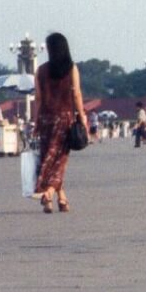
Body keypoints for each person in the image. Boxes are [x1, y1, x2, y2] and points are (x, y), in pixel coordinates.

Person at [32, 32, 87, 214]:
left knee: (48, 157)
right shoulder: (71, 69)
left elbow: (38, 99)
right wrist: (82, 117)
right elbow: (77, 94)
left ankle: (61, 197)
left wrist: (36, 121)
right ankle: (48, 193)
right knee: (59, 160)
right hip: (64, 119)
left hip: (46, 119)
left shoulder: (40, 71)